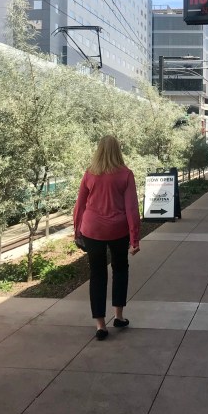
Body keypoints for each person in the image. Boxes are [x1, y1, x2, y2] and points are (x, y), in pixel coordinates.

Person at [73, 135, 141, 341]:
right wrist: (134, 239)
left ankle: (100, 325)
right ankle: (118, 316)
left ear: (99, 150)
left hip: (92, 230)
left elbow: (80, 205)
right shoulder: (126, 175)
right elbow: (131, 208)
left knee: (97, 274)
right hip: (117, 230)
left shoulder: (90, 174)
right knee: (120, 269)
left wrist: (77, 230)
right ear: (118, 150)